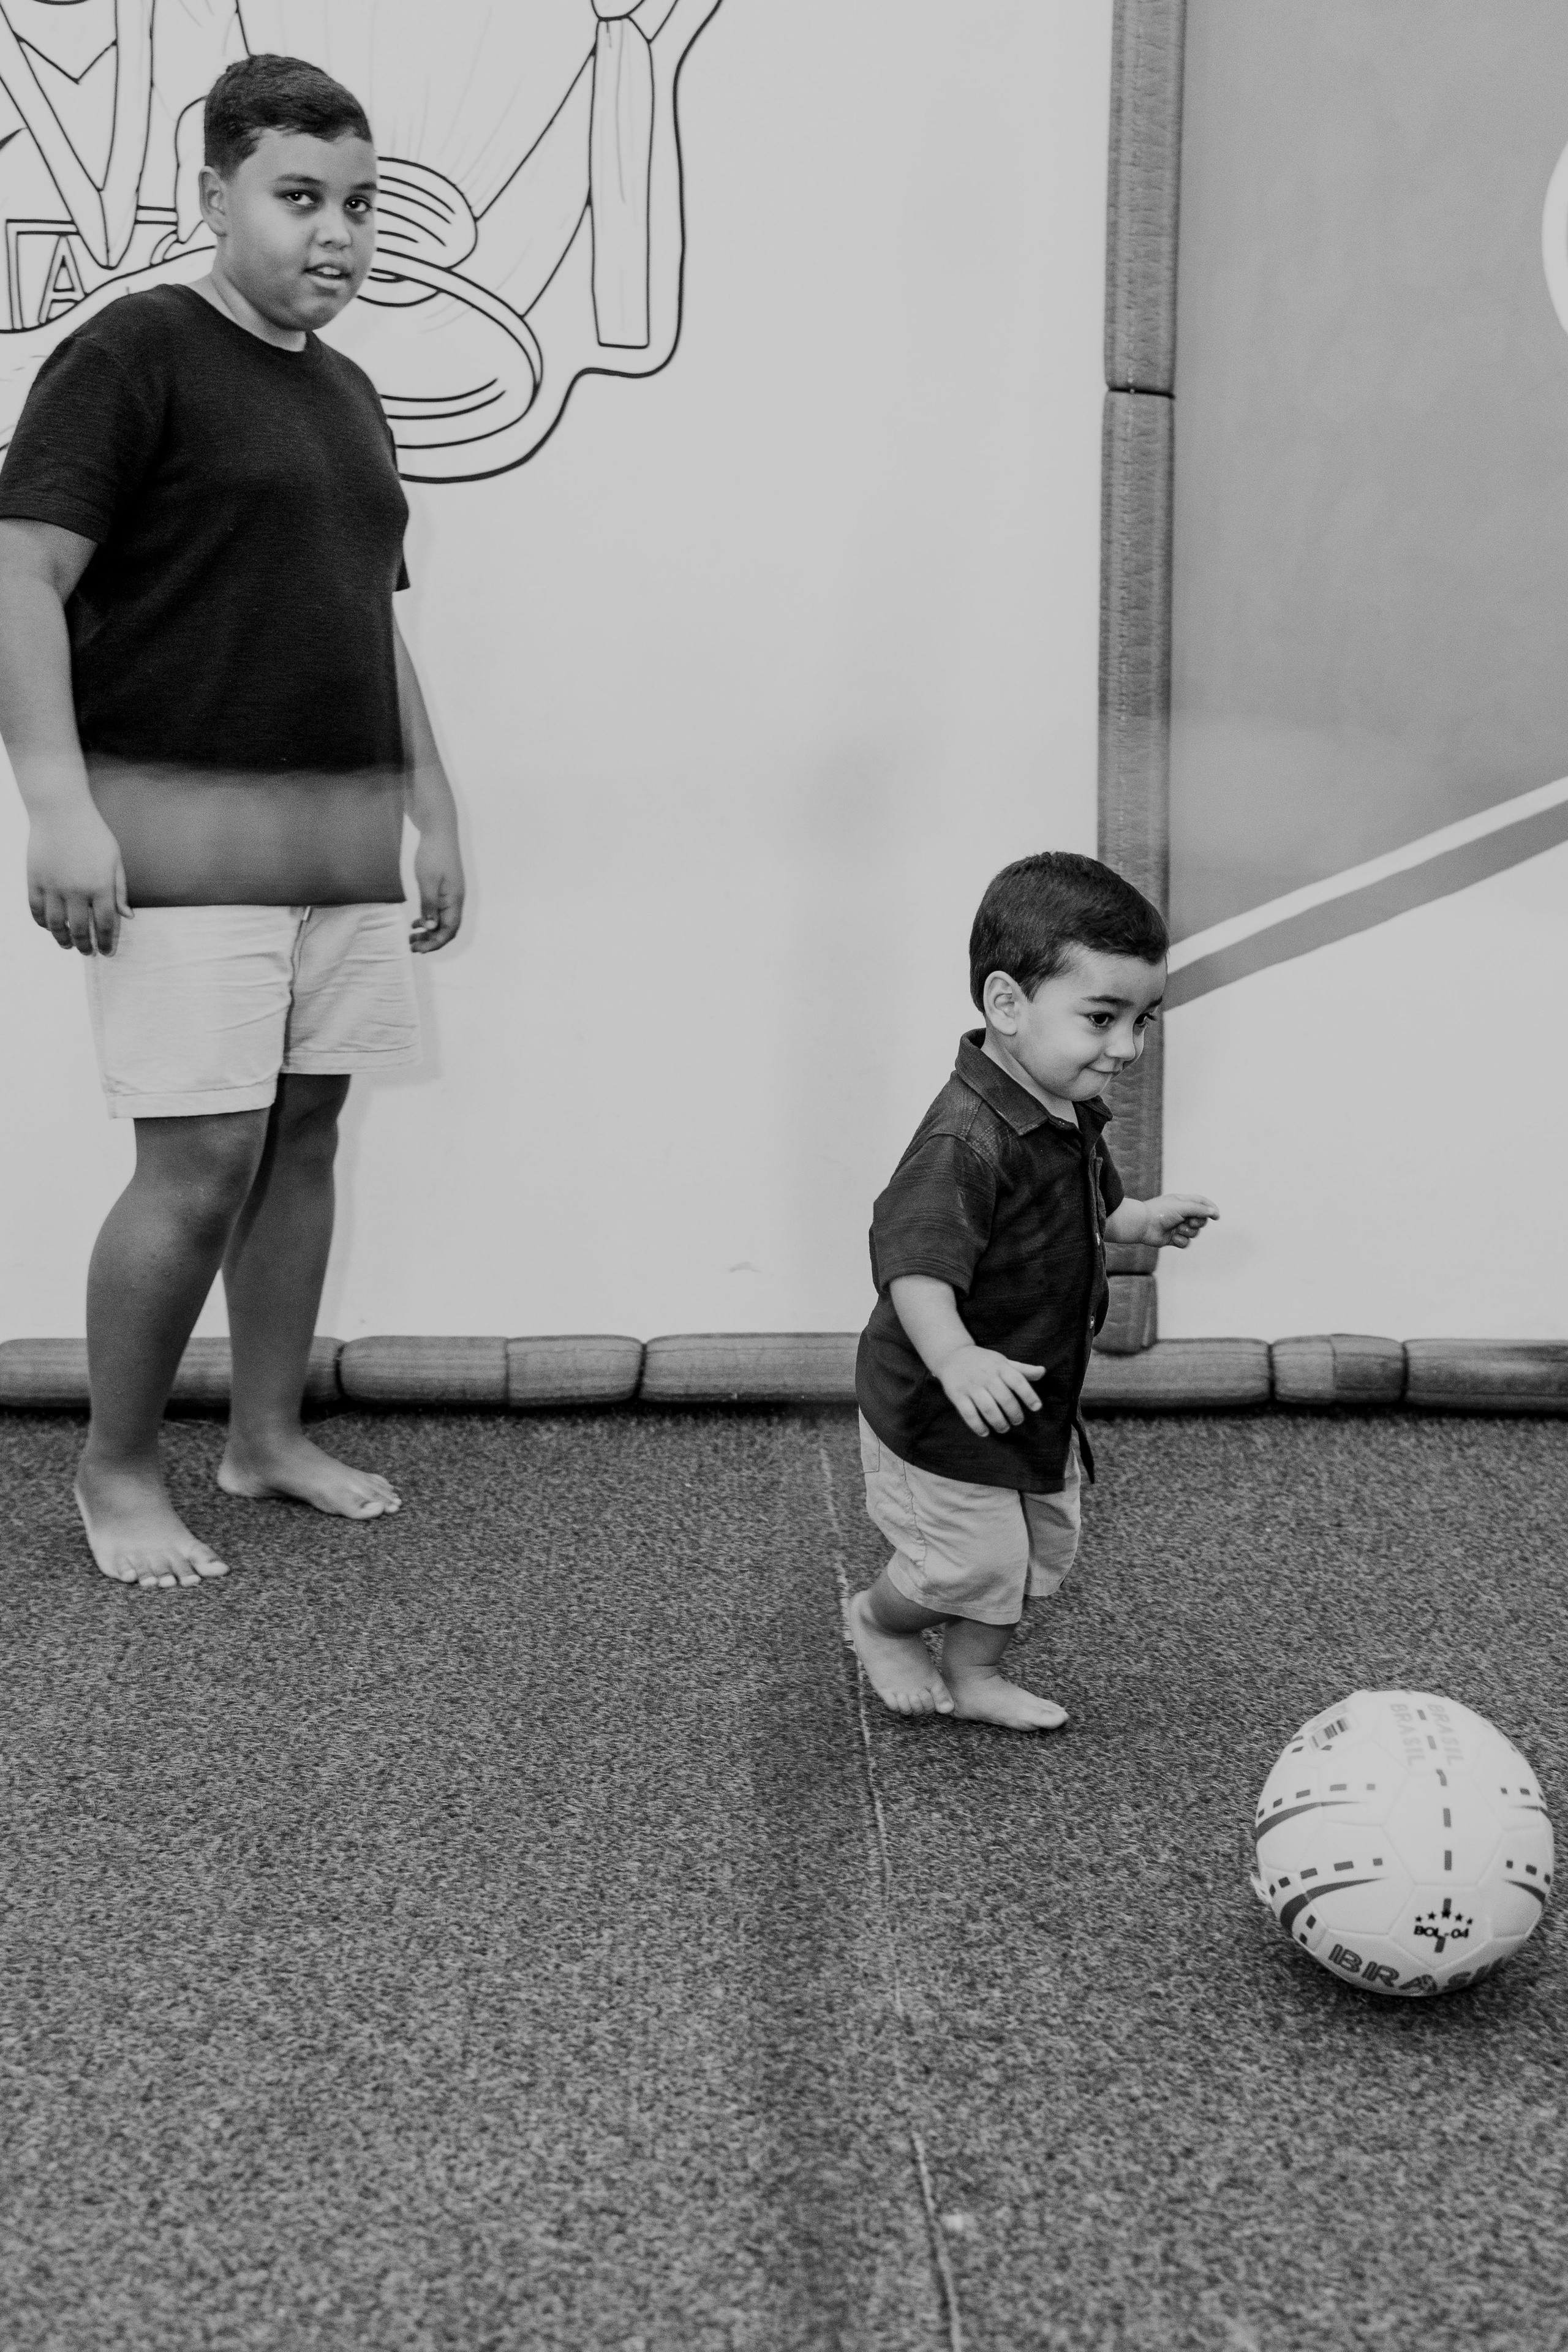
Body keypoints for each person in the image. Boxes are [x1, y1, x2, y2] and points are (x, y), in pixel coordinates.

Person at [0, 55, 465, 1591]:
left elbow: (366, 617)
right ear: (214, 196)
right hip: (176, 823)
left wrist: (436, 808)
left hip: (337, 832)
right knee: (198, 1158)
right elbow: (21, 583)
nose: (336, 233)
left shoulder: (343, 389)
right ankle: (113, 1469)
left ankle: (264, 1434)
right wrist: (57, 808)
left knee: (307, 1132)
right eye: (298, 198)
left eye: (358, 204)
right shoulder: (131, 353)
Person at [847, 851, 1217, 1731]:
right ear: (1007, 1004)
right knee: (964, 1562)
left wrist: (1143, 1220)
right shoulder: (964, 1140)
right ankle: (878, 1620)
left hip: (1030, 1397)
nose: (1126, 1048)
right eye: (1102, 1017)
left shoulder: (1068, 1104)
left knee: (1035, 1552)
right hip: (940, 1405)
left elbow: (1098, 1204)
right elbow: (914, 1267)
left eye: (1143, 1020)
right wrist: (958, 1358)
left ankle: (974, 1674)